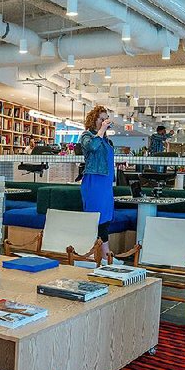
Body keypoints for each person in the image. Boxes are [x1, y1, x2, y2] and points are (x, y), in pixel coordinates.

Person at [79, 106, 115, 263]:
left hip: (105, 182)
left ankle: (103, 254)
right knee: (96, 218)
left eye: (106, 118)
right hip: (94, 181)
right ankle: (100, 255)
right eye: (102, 119)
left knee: (106, 217)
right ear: (94, 120)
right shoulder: (87, 136)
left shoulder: (107, 140)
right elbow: (92, 147)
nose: (105, 122)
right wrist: (100, 131)